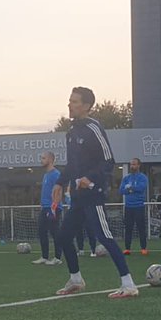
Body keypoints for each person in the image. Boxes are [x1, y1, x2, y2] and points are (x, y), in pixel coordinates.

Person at [52, 86, 139, 298]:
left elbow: (109, 161)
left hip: (93, 193)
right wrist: (60, 182)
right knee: (63, 236)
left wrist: (90, 178)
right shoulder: (71, 132)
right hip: (78, 198)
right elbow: (72, 165)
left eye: (74, 101)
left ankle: (129, 285)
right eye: (69, 100)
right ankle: (76, 279)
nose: (69, 104)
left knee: (104, 237)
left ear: (87, 106)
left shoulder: (94, 128)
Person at [34, 151, 63, 266]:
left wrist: (54, 207)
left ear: (50, 160)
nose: (41, 160)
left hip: (52, 208)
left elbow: (59, 192)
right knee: (41, 231)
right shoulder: (46, 175)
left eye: (43, 158)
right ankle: (44, 257)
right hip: (45, 207)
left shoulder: (56, 174)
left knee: (55, 232)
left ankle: (57, 257)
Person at [119, 158, 149, 256]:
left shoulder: (143, 177)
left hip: (139, 206)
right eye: (131, 164)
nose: (132, 166)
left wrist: (131, 188)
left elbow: (141, 188)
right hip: (128, 206)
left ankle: (143, 248)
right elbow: (121, 190)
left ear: (138, 165)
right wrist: (130, 190)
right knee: (128, 228)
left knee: (141, 228)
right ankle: (127, 248)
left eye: (134, 164)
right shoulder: (126, 178)